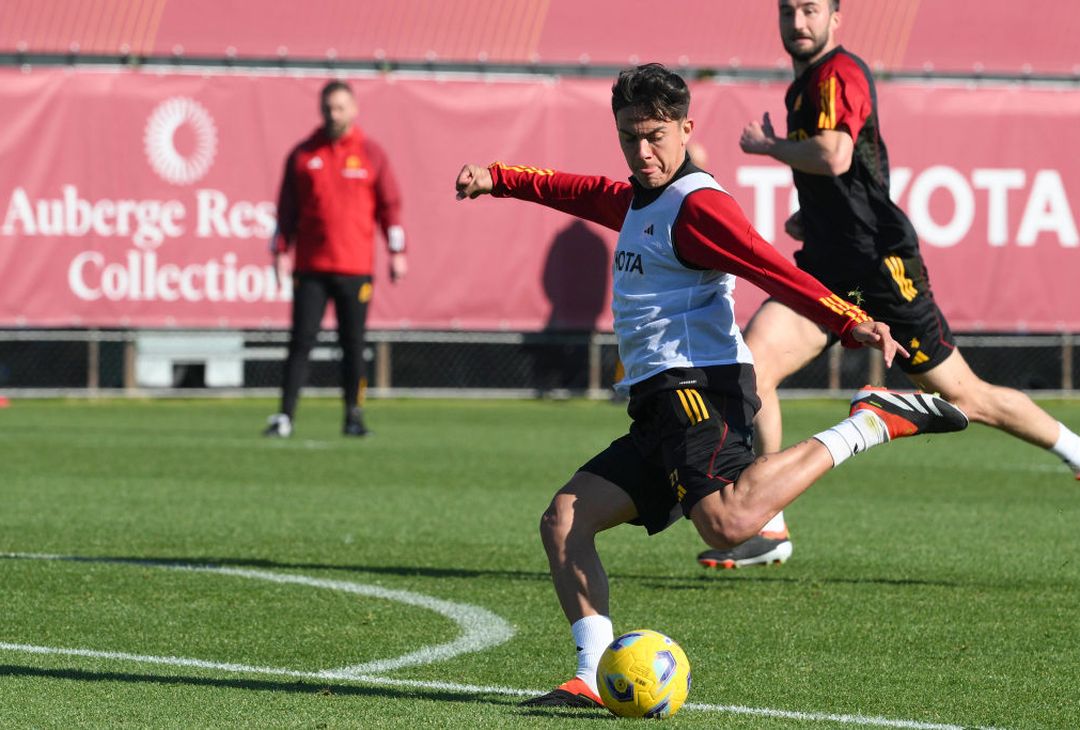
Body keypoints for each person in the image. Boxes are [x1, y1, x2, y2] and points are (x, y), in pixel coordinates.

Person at [454, 63, 968, 708]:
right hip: (656, 401)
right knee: (564, 521)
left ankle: (870, 421)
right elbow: (577, 190)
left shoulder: (698, 205)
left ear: (685, 129)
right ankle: (590, 675)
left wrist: (848, 320)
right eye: (629, 137)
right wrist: (497, 178)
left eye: (655, 136)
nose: (642, 151)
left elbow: (768, 265)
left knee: (726, 524)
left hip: (699, 385)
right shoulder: (639, 199)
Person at [696, 0, 1080, 569]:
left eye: (809, 10)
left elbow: (834, 155)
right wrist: (814, 217)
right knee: (751, 370)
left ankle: (1075, 450)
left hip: (880, 267)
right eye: (788, 11)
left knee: (967, 397)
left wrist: (769, 147)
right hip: (827, 266)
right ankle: (767, 524)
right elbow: (845, 177)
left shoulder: (838, 72)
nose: (797, 23)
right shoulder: (805, 85)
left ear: (835, 18)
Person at [264, 80, 407, 438]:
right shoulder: (303, 155)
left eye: (341, 107)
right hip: (311, 267)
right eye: (329, 108)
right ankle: (285, 416)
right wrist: (280, 251)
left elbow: (390, 208)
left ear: (354, 109)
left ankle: (353, 416)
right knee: (301, 341)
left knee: (353, 345)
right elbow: (286, 210)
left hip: (355, 268)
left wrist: (397, 252)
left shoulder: (371, 153)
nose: (334, 114)